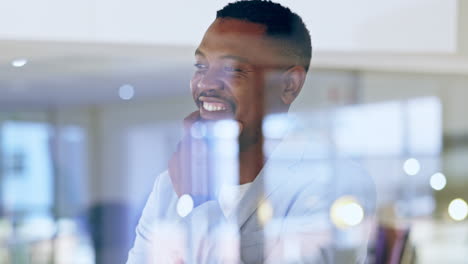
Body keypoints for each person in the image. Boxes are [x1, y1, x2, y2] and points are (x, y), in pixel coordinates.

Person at [127, 1, 375, 263]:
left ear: (289, 85)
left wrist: (200, 202)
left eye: (232, 69)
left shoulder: (331, 183)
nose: (206, 84)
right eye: (201, 67)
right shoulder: (168, 187)